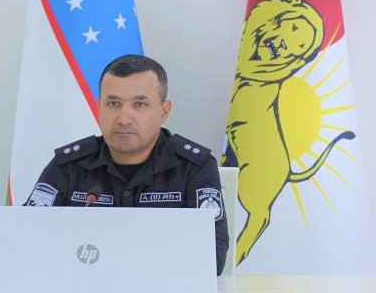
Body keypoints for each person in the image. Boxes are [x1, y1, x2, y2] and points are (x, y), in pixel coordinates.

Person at [24, 54, 230, 274]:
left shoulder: (194, 167)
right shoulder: (68, 166)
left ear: (164, 111)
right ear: (99, 107)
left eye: (140, 104)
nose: (123, 118)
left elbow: (212, 257)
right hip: (82, 288)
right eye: (113, 104)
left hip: (161, 292)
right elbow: (26, 239)